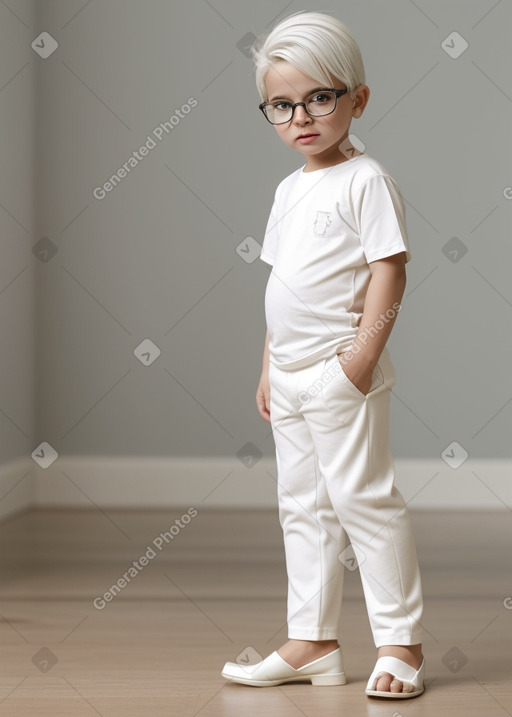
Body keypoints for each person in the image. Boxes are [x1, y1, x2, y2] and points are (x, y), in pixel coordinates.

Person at [221, 11, 425, 699]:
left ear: (357, 99)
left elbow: (390, 270)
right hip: (290, 376)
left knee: (364, 501)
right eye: (282, 105)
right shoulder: (289, 188)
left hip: (342, 374)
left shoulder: (365, 180)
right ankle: (312, 639)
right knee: (301, 505)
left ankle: (401, 642)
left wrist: (359, 362)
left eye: (320, 98)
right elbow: (282, 285)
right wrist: (267, 365)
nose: (301, 116)